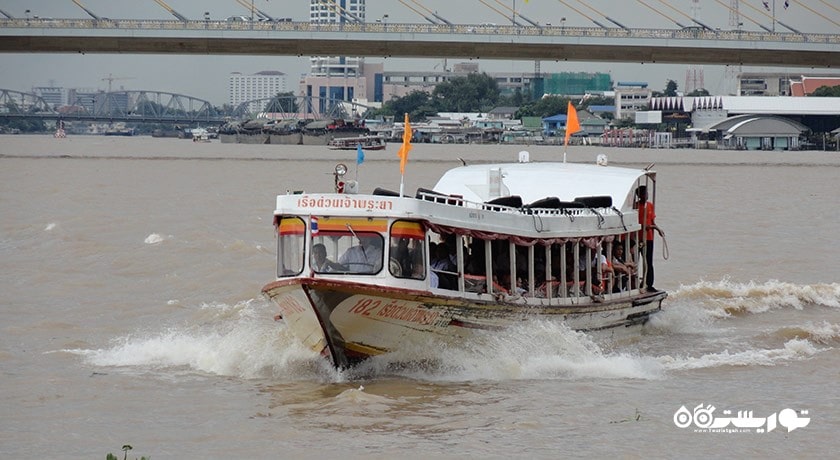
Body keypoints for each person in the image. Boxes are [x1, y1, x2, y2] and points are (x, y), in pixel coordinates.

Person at [635, 186, 664, 292]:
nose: (646, 195)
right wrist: (653, 227)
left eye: (646, 193)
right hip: (637, 237)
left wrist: (658, 229)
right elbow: (639, 224)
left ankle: (649, 283)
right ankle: (634, 283)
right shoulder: (636, 207)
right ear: (640, 195)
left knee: (648, 261)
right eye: (644, 193)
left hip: (649, 238)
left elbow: (651, 222)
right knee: (635, 261)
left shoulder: (650, 205)